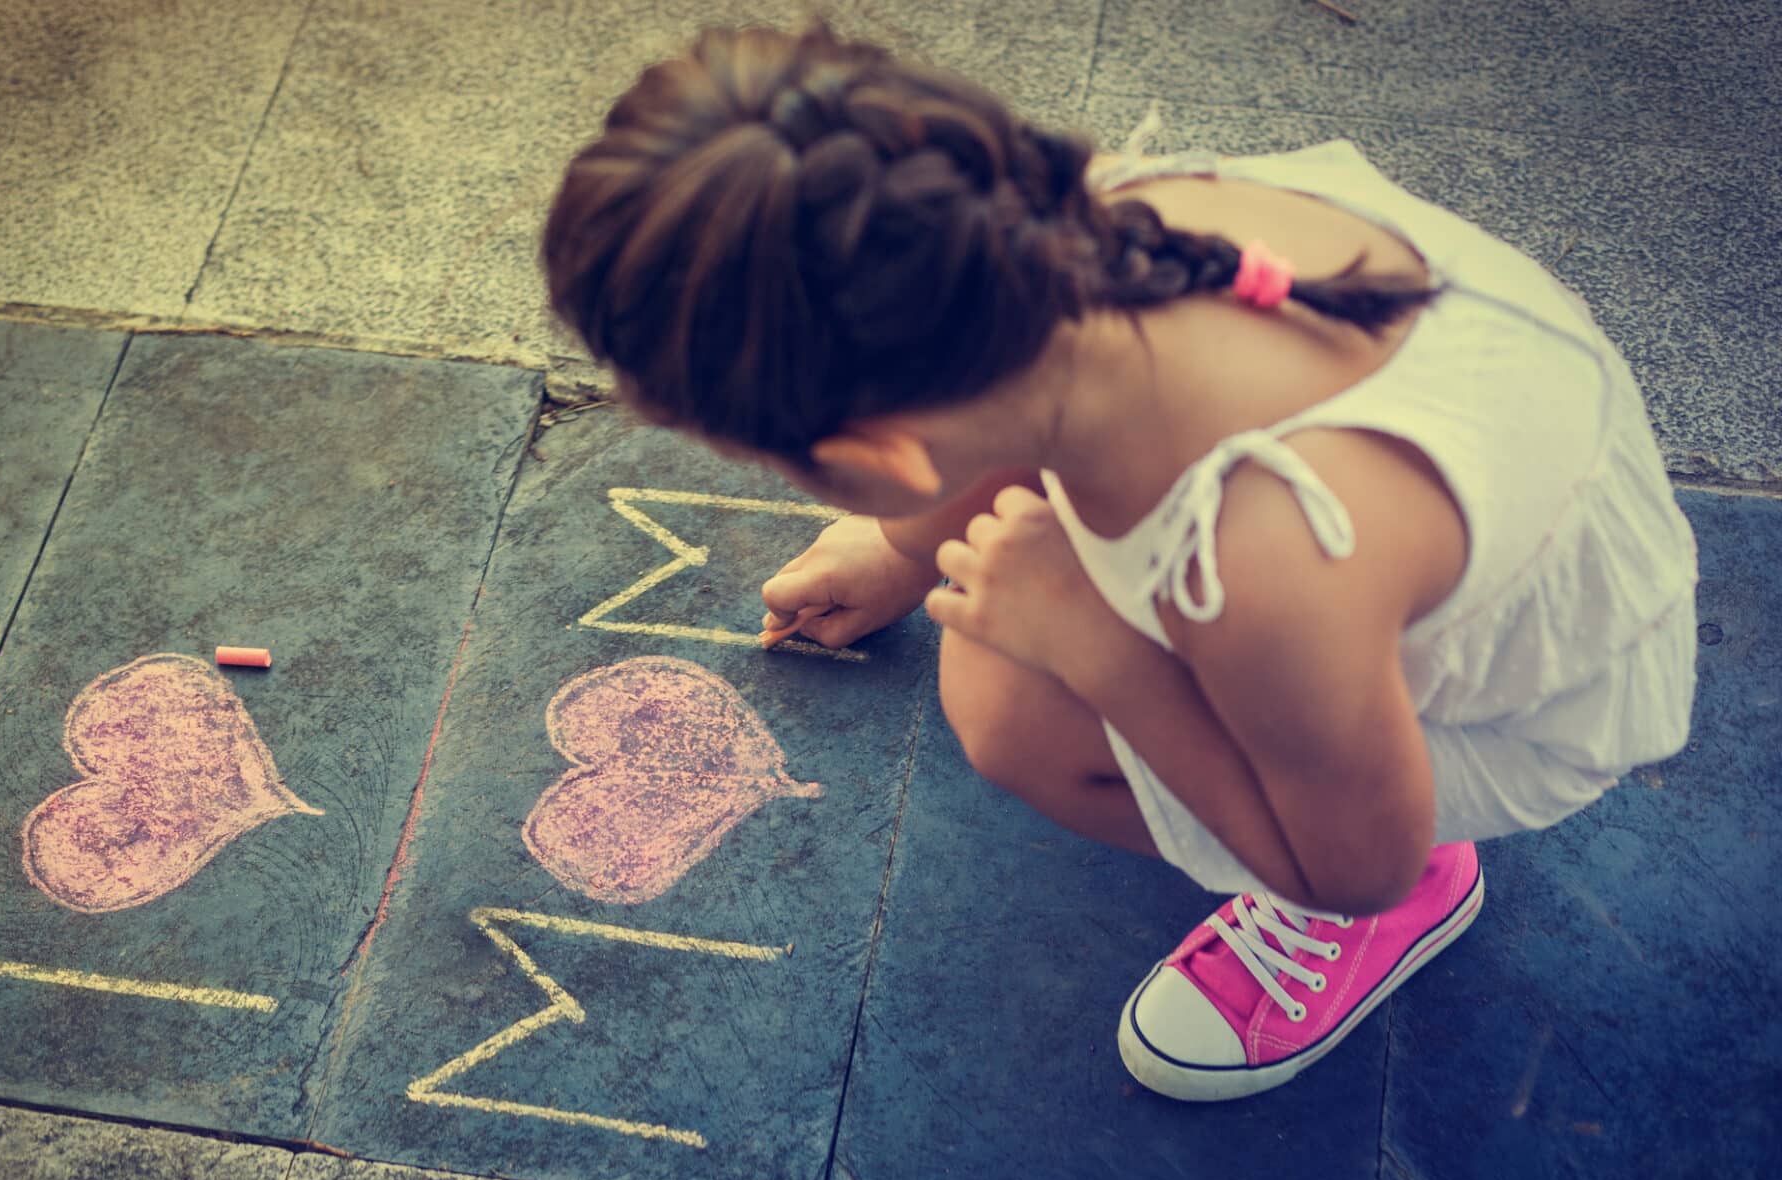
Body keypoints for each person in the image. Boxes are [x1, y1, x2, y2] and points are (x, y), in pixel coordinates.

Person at [539, 23, 1698, 1101]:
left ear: (874, 451)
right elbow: (1022, 414)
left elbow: (1360, 857)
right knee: (996, 620)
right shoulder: (1076, 227)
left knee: (1011, 712)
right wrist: (902, 545)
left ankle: (1392, 926)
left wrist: (1103, 657)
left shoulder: (1265, 563)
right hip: (1428, 505)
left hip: (1490, 695)